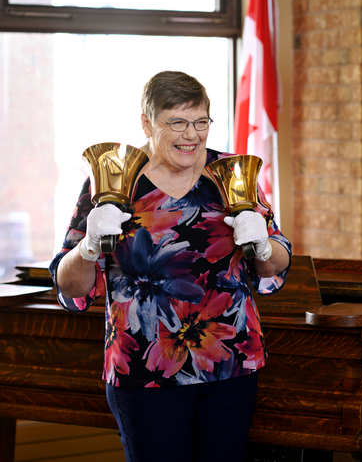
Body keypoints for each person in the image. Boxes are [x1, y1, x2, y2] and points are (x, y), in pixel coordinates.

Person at [49, 70, 291, 462]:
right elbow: (71, 285)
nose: (191, 135)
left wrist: (263, 244)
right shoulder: (116, 179)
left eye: (200, 122)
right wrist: (90, 246)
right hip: (143, 370)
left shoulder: (232, 174)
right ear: (147, 122)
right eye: (177, 122)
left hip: (229, 364)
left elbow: (275, 266)